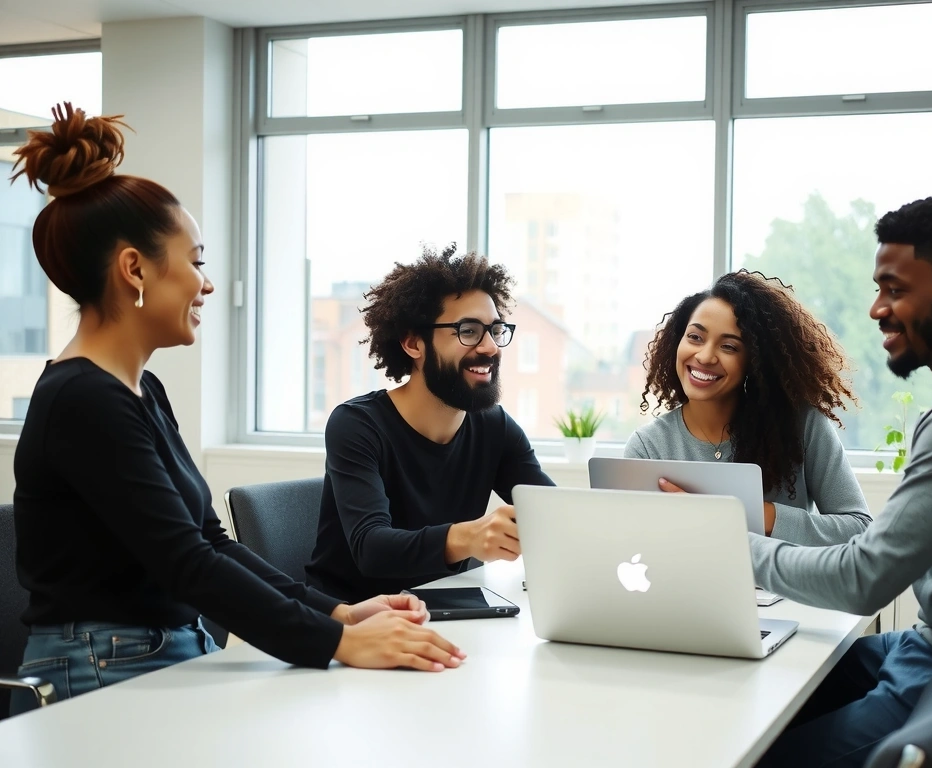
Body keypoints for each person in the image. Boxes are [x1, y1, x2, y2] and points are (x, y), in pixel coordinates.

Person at [9, 104, 463, 716]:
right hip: (102, 667)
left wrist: (334, 612)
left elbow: (208, 540)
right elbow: (186, 563)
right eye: (196, 260)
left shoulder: (139, 390)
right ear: (134, 269)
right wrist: (341, 643)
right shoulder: (82, 400)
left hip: (158, 650)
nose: (207, 283)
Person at [749, 193, 932, 767]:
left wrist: (726, 542)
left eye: (894, 290)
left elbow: (862, 579)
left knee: (755, 752)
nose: (877, 309)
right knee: (770, 683)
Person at [306, 245, 554, 602]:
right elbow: (371, 548)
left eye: (495, 330)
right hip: (354, 622)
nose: (491, 348)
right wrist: (468, 537)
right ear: (412, 343)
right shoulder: (358, 425)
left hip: (445, 609)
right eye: (468, 331)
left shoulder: (493, 427)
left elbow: (554, 514)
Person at [626, 270, 870, 545]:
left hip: (783, 590)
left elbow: (860, 531)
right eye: (695, 337)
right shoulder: (647, 448)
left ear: (754, 362)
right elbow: (632, 548)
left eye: (729, 346)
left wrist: (750, 513)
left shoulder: (802, 426)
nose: (705, 356)